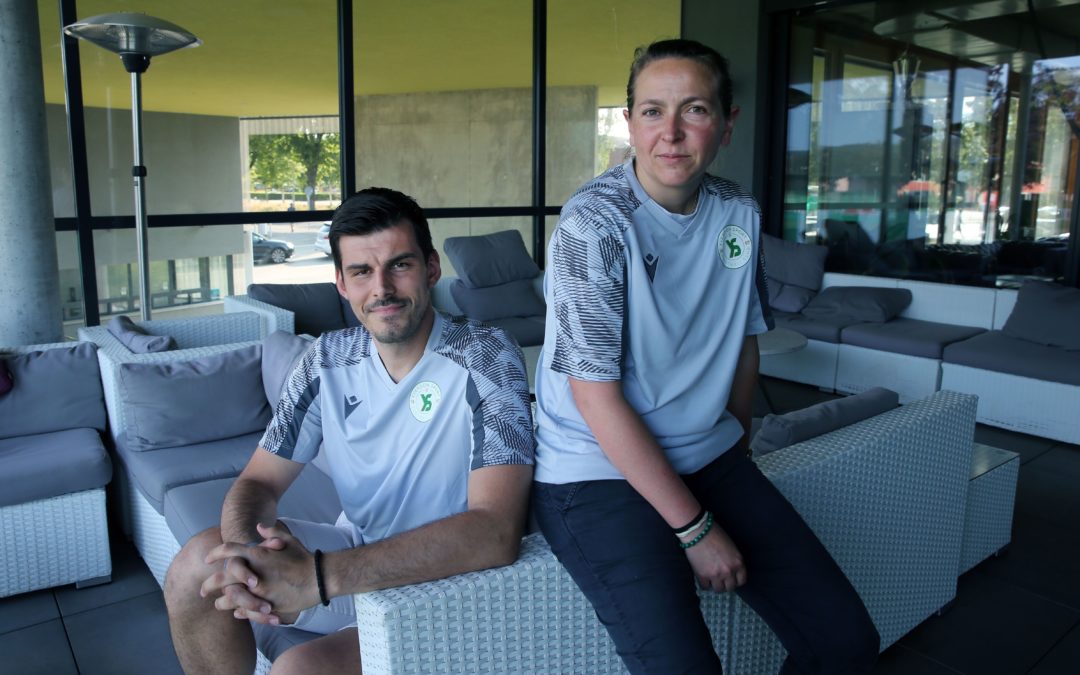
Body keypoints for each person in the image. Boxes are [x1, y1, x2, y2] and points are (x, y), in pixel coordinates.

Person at [531, 39, 880, 674]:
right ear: (629, 121)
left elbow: (742, 338)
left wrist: (735, 447)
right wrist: (695, 529)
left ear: (725, 122)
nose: (670, 134)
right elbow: (594, 396)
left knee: (845, 642)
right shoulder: (595, 223)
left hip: (708, 458)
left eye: (693, 110)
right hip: (595, 472)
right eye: (651, 112)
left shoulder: (737, 212)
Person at [164, 187, 534, 674]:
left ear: (431, 268)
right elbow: (257, 483)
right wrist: (245, 557)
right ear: (341, 283)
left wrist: (316, 578)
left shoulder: (486, 356)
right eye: (362, 272)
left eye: (399, 265)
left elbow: (495, 531)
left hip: (449, 577)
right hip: (354, 554)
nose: (381, 288)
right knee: (196, 566)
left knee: (297, 669)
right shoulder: (325, 360)